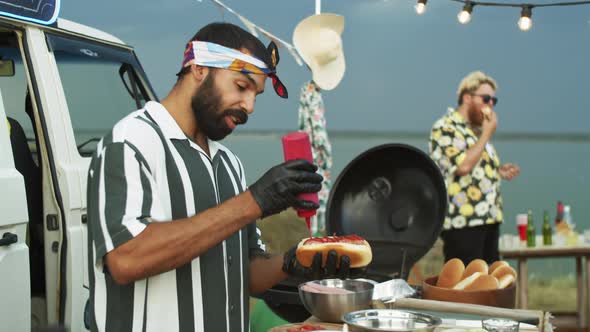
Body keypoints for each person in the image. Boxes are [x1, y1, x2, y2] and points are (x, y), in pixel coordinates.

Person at [86, 22, 363, 332]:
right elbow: (125, 259)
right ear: (200, 68)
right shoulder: (132, 141)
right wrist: (254, 201)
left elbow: (246, 273)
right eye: (241, 86)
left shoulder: (229, 163)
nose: (250, 106)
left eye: (256, 95)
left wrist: (293, 260)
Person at [429, 71, 521, 265]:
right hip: (464, 223)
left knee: (488, 287)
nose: (490, 105)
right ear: (467, 97)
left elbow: (474, 169)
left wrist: (498, 171)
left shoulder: (475, 131)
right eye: (486, 98)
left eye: (494, 100)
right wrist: (487, 134)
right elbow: (462, 166)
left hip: (489, 219)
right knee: (465, 288)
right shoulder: (446, 127)